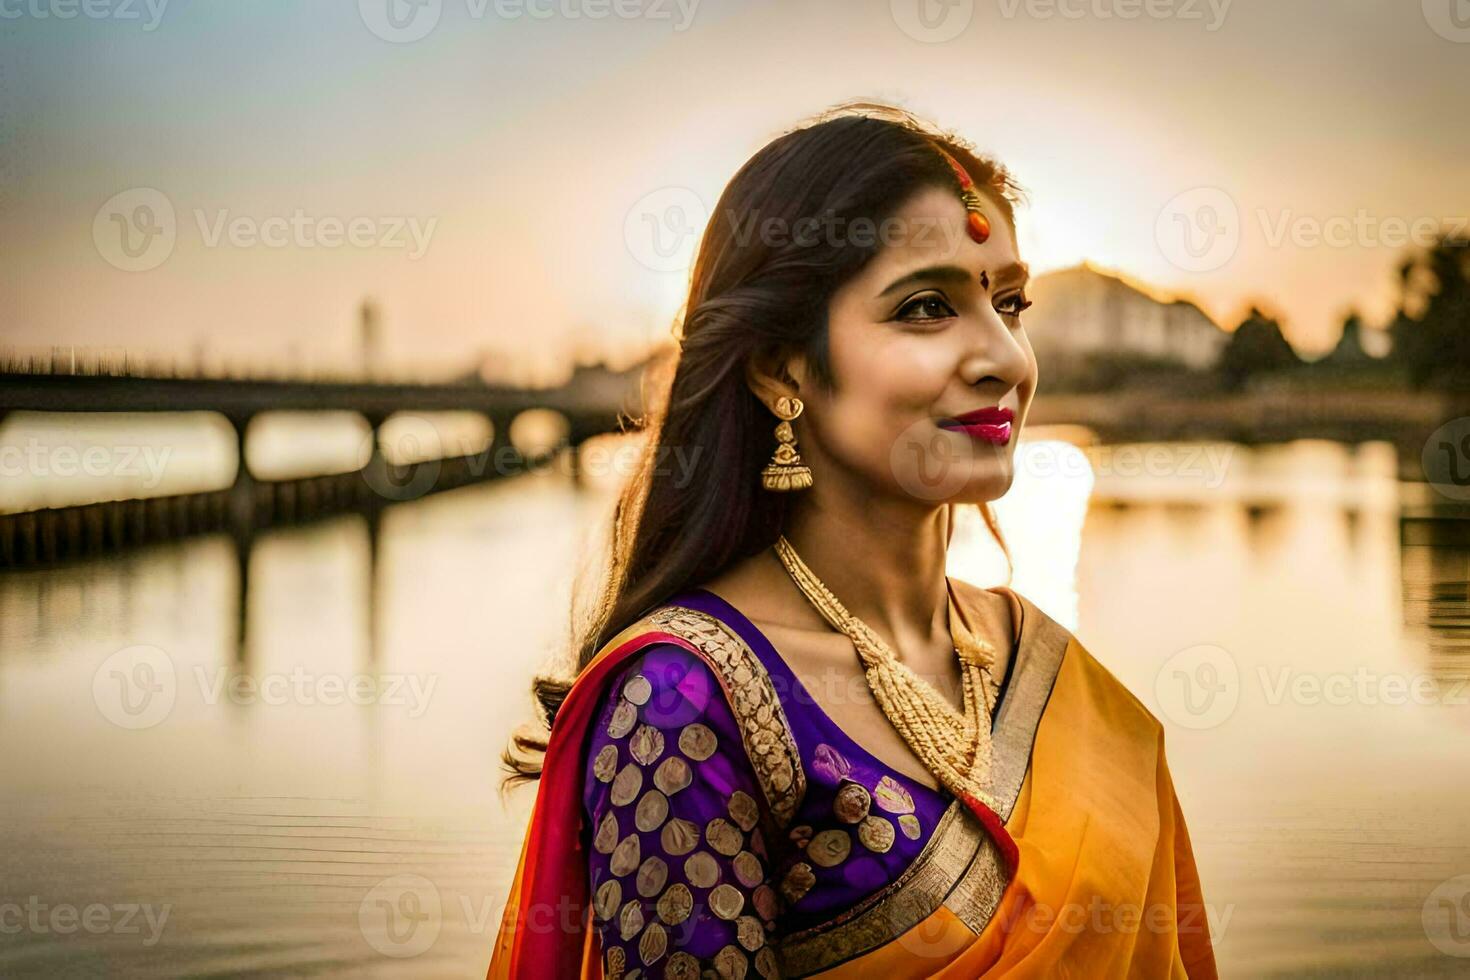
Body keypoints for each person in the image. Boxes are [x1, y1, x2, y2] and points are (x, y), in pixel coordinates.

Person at [488, 101, 1218, 979]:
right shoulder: (686, 698)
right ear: (780, 367)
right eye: (924, 308)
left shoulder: (1042, 665)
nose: (1005, 359)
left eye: (1012, 303)